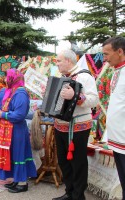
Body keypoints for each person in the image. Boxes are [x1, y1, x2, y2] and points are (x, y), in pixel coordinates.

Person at [52, 50, 99, 200]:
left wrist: (76, 96)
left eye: (59, 61)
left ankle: (78, 196)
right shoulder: (62, 78)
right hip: (60, 126)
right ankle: (70, 192)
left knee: (77, 162)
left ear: (68, 61)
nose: (57, 64)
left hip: (78, 126)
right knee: (63, 161)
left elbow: (94, 101)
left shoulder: (84, 76)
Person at [0, 69, 37, 193]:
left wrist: (3, 114)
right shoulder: (13, 91)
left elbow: (19, 115)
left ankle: (22, 183)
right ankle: (17, 179)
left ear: (13, 78)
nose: (5, 80)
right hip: (11, 129)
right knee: (13, 154)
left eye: (7, 77)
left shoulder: (20, 93)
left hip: (17, 130)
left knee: (19, 155)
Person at [103, 36, 125, 200]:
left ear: (120, 51)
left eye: (107, 53)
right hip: (117, 138)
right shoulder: (117, 71)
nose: (104, 58)